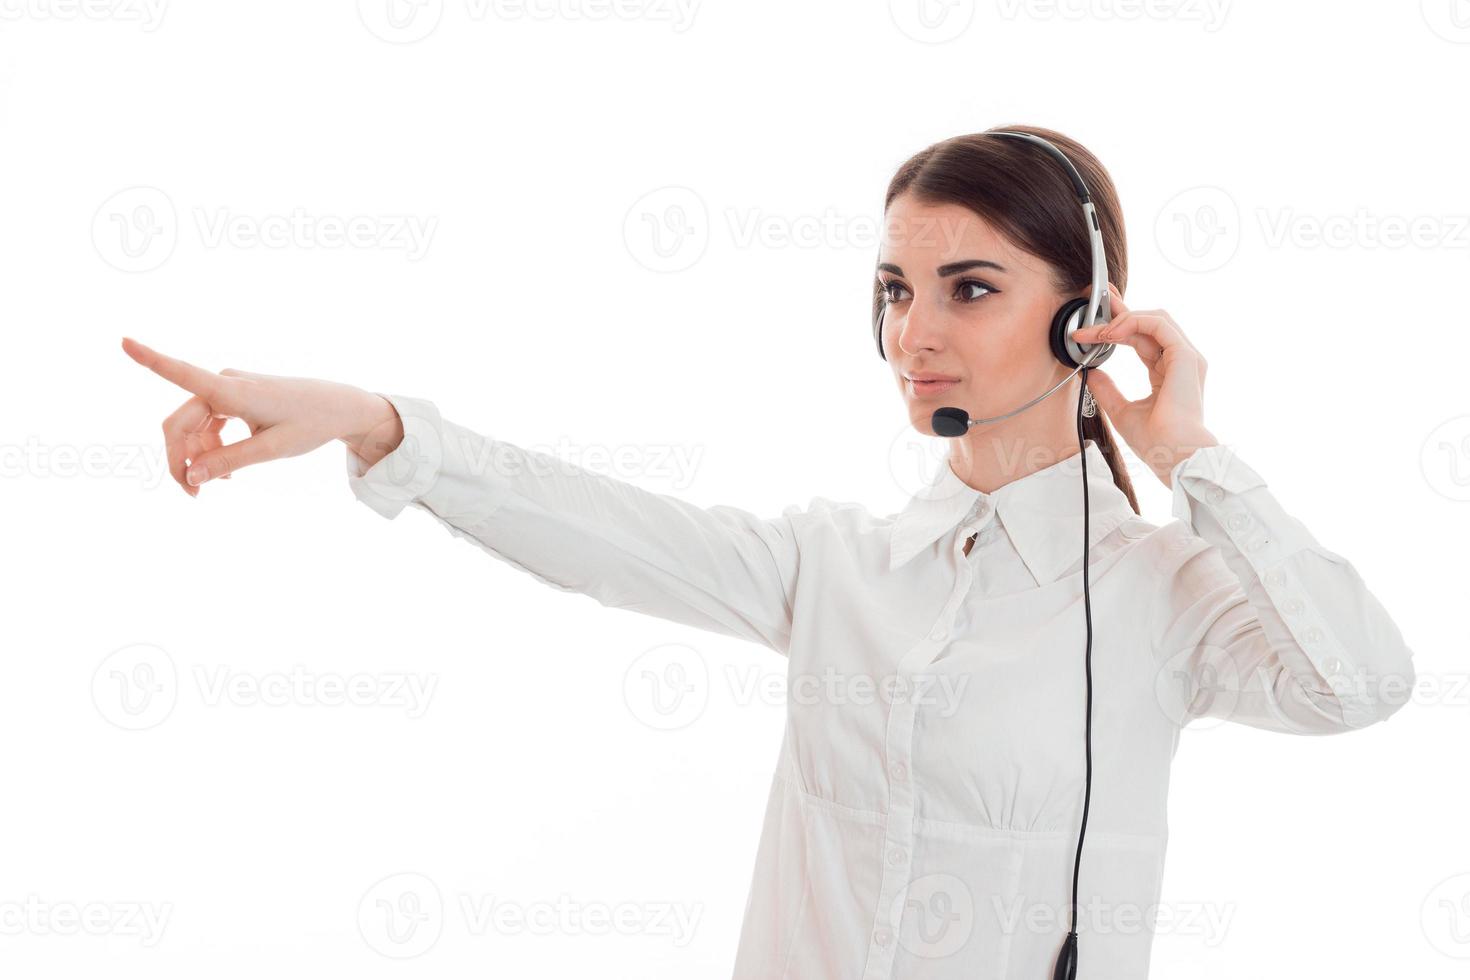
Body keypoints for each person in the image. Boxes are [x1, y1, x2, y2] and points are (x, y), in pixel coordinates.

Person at [123, 124, 1416, 980]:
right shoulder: (837, 565)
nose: (915, 329)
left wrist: (1190, 455)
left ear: (1084, 318)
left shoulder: (1160, 591)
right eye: (895, 291)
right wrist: (375, 419)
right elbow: (598, 532)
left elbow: (1355, 687)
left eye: (969, 287)